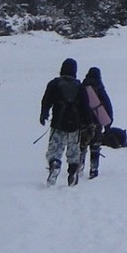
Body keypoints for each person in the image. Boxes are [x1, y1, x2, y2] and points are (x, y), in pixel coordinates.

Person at [39, 57, 91, 187]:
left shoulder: (54, 84)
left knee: (55, 149)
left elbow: (46, 101)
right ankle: (73, 171)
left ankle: (55, 164)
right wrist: (89, 123)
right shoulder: (80, 86)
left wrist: (44, 114)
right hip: (75, 124)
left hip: (58, 122)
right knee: (74, 151)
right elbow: (86, 106)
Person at [79, 66, 115, 180]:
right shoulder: (99, 88)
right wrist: (108, 125)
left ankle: (79, 166)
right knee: (95, 147)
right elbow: (108, 107)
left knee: (82, 146)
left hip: (83, 123)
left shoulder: (82, 87)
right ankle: (94, 169)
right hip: (97, 123)